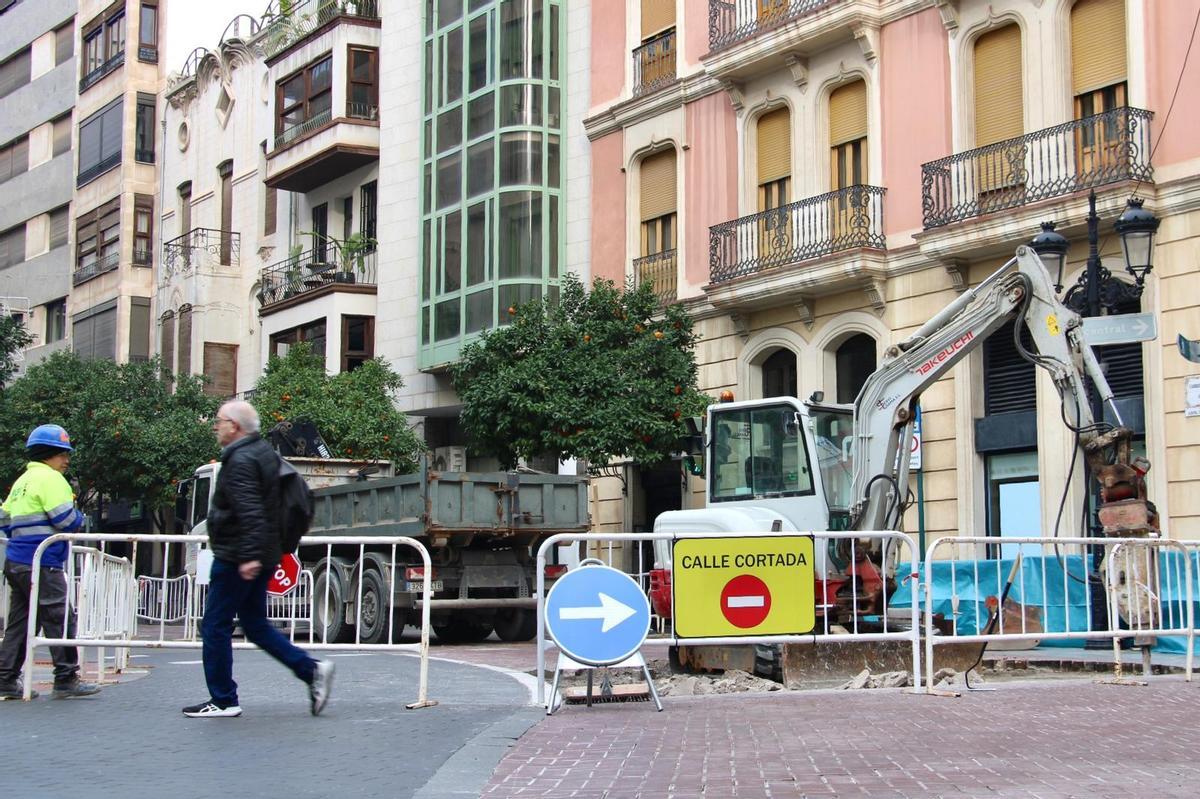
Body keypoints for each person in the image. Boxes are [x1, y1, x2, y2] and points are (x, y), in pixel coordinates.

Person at [184, 400, 333, 718]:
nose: (216, 426)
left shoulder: (240, 460)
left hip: (238, 556)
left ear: (234, 426)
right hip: (262, 552)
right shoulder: (264, 452)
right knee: (254, 625)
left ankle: (223, 700)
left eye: (219, 420)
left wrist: (248, 556)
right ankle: (311, 670)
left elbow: (250, 510)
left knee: (214, 625)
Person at [0, 424, 101, 700]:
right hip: (44, 562)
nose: (67, 460)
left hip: (17, 561)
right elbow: (66, 521)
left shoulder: (22, 482)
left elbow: (4, 521)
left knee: (20, 623)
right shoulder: (53, 480)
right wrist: (80, 518)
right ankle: (66, 678)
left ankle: (6, 679)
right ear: (48, 454)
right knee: (60, 617)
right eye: (62, 454)